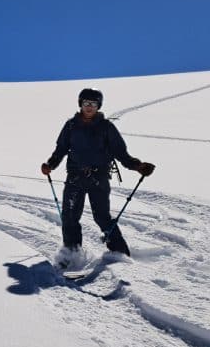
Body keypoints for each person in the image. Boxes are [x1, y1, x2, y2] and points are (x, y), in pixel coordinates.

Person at [41, 88, 154, 262]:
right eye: (86, 103)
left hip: (98, 179)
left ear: (98, 106)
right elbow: (61, 149)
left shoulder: (106, 127)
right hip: (75, 178)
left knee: (102, 217)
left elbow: (120, 152)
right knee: (70, 217)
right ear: (80, 104)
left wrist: (137, 166)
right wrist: (50, 164)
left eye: (93, 104)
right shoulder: (71, 126)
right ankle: (71, 254)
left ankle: (120, 254)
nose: (89, 107)